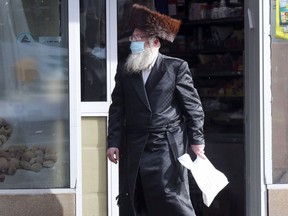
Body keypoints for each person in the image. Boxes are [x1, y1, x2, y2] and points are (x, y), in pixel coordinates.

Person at [107, 3, 206, 216]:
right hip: (134, 145)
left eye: (138, 38)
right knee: (135, 197)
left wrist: (197, 140)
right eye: (133, 38)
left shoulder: (175, 67)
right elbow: (117, 108)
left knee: (171, 198)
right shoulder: (126, 70)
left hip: (166, 146)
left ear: (155, 42)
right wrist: (113, 142)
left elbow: (193, 107)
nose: (134, 42)